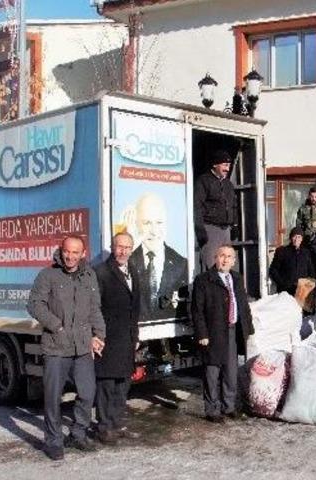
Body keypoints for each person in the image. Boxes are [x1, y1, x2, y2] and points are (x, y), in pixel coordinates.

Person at [27, 235, 106, 461]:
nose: (70, 256)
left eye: (75, 252)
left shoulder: (89, 276)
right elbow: (34, 304)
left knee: (87, 392)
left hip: (82, 347)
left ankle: (78, 433)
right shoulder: (48, 275)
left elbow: (95, 309)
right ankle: (53, 441)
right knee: (53, 397)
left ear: (83, 253)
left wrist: (99, 335)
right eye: (66, 252)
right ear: (61, 251)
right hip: (55, 347)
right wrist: (56, 326)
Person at [192, 245, 254, 422]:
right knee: (212, 373)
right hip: (212, 333)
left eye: (229, 257)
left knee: (231, 372)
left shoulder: (236, 278)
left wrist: (248, 329)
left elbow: (243, 305)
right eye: (222, 256)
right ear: (215, 258)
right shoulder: (203, 280)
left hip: (233, 331)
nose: (225, 260)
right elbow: (197, 311)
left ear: (234, 261)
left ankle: (229, 406)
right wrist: (202, 334)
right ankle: (212, 410)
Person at [93, 233, 141, 445]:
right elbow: (94, 308)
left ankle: (117, 423)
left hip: (127, 338)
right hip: (108, 339)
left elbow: (135, 307)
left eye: (127, 247)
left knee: (123, 383)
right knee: (106, 384)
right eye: (120, 247)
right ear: (113, 248)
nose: (123, 251)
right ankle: (104, 428)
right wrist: (96, 336)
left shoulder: (134, 271)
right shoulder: (101, 272)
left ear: (132, 249)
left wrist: (135, 335)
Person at [128, 193, 189, 321]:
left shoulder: (181, 264)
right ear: (136, 224)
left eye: (159, 222)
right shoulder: (128, 260)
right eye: (147, 223)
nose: (154, 231)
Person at [194, 150, 237, 270]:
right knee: (212, 264)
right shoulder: (204, 181)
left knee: (227, 264)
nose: (227, 169)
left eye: (229, 166)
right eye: (224, 165)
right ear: (215, 164)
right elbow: (196, 206)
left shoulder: (228, 184)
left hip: (226, 230)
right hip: (211, 229)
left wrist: (234, 225)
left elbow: (233, 205)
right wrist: (200, 229)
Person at [268, 227, 316, 295]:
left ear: (302, 239)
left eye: (299, 237)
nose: (296, 239)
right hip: (285, 290)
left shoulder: (306, 253)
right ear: (290, 238)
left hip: (301, 290)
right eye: (294, 236)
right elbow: (273, 270)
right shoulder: (282, 251)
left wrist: (309, 283)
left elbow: (311, 270)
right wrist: (282, 283)